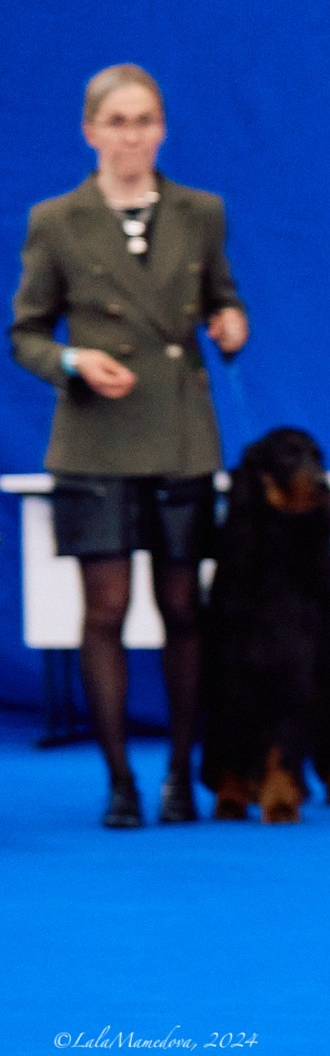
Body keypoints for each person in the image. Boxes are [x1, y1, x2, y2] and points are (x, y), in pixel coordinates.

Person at [11, 64, 251, 829]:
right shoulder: (57, 220)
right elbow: (24, 332)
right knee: (104, 611)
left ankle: (183, 774)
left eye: (145, 119)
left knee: (184, 608)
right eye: (116, 121)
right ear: (90, 131)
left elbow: (221, 293)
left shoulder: (200, 211)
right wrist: (74, 361)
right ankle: (119, 780)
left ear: (162, 129)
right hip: (94, 441)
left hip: (180, 433)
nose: (131, 135)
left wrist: (230, 322)